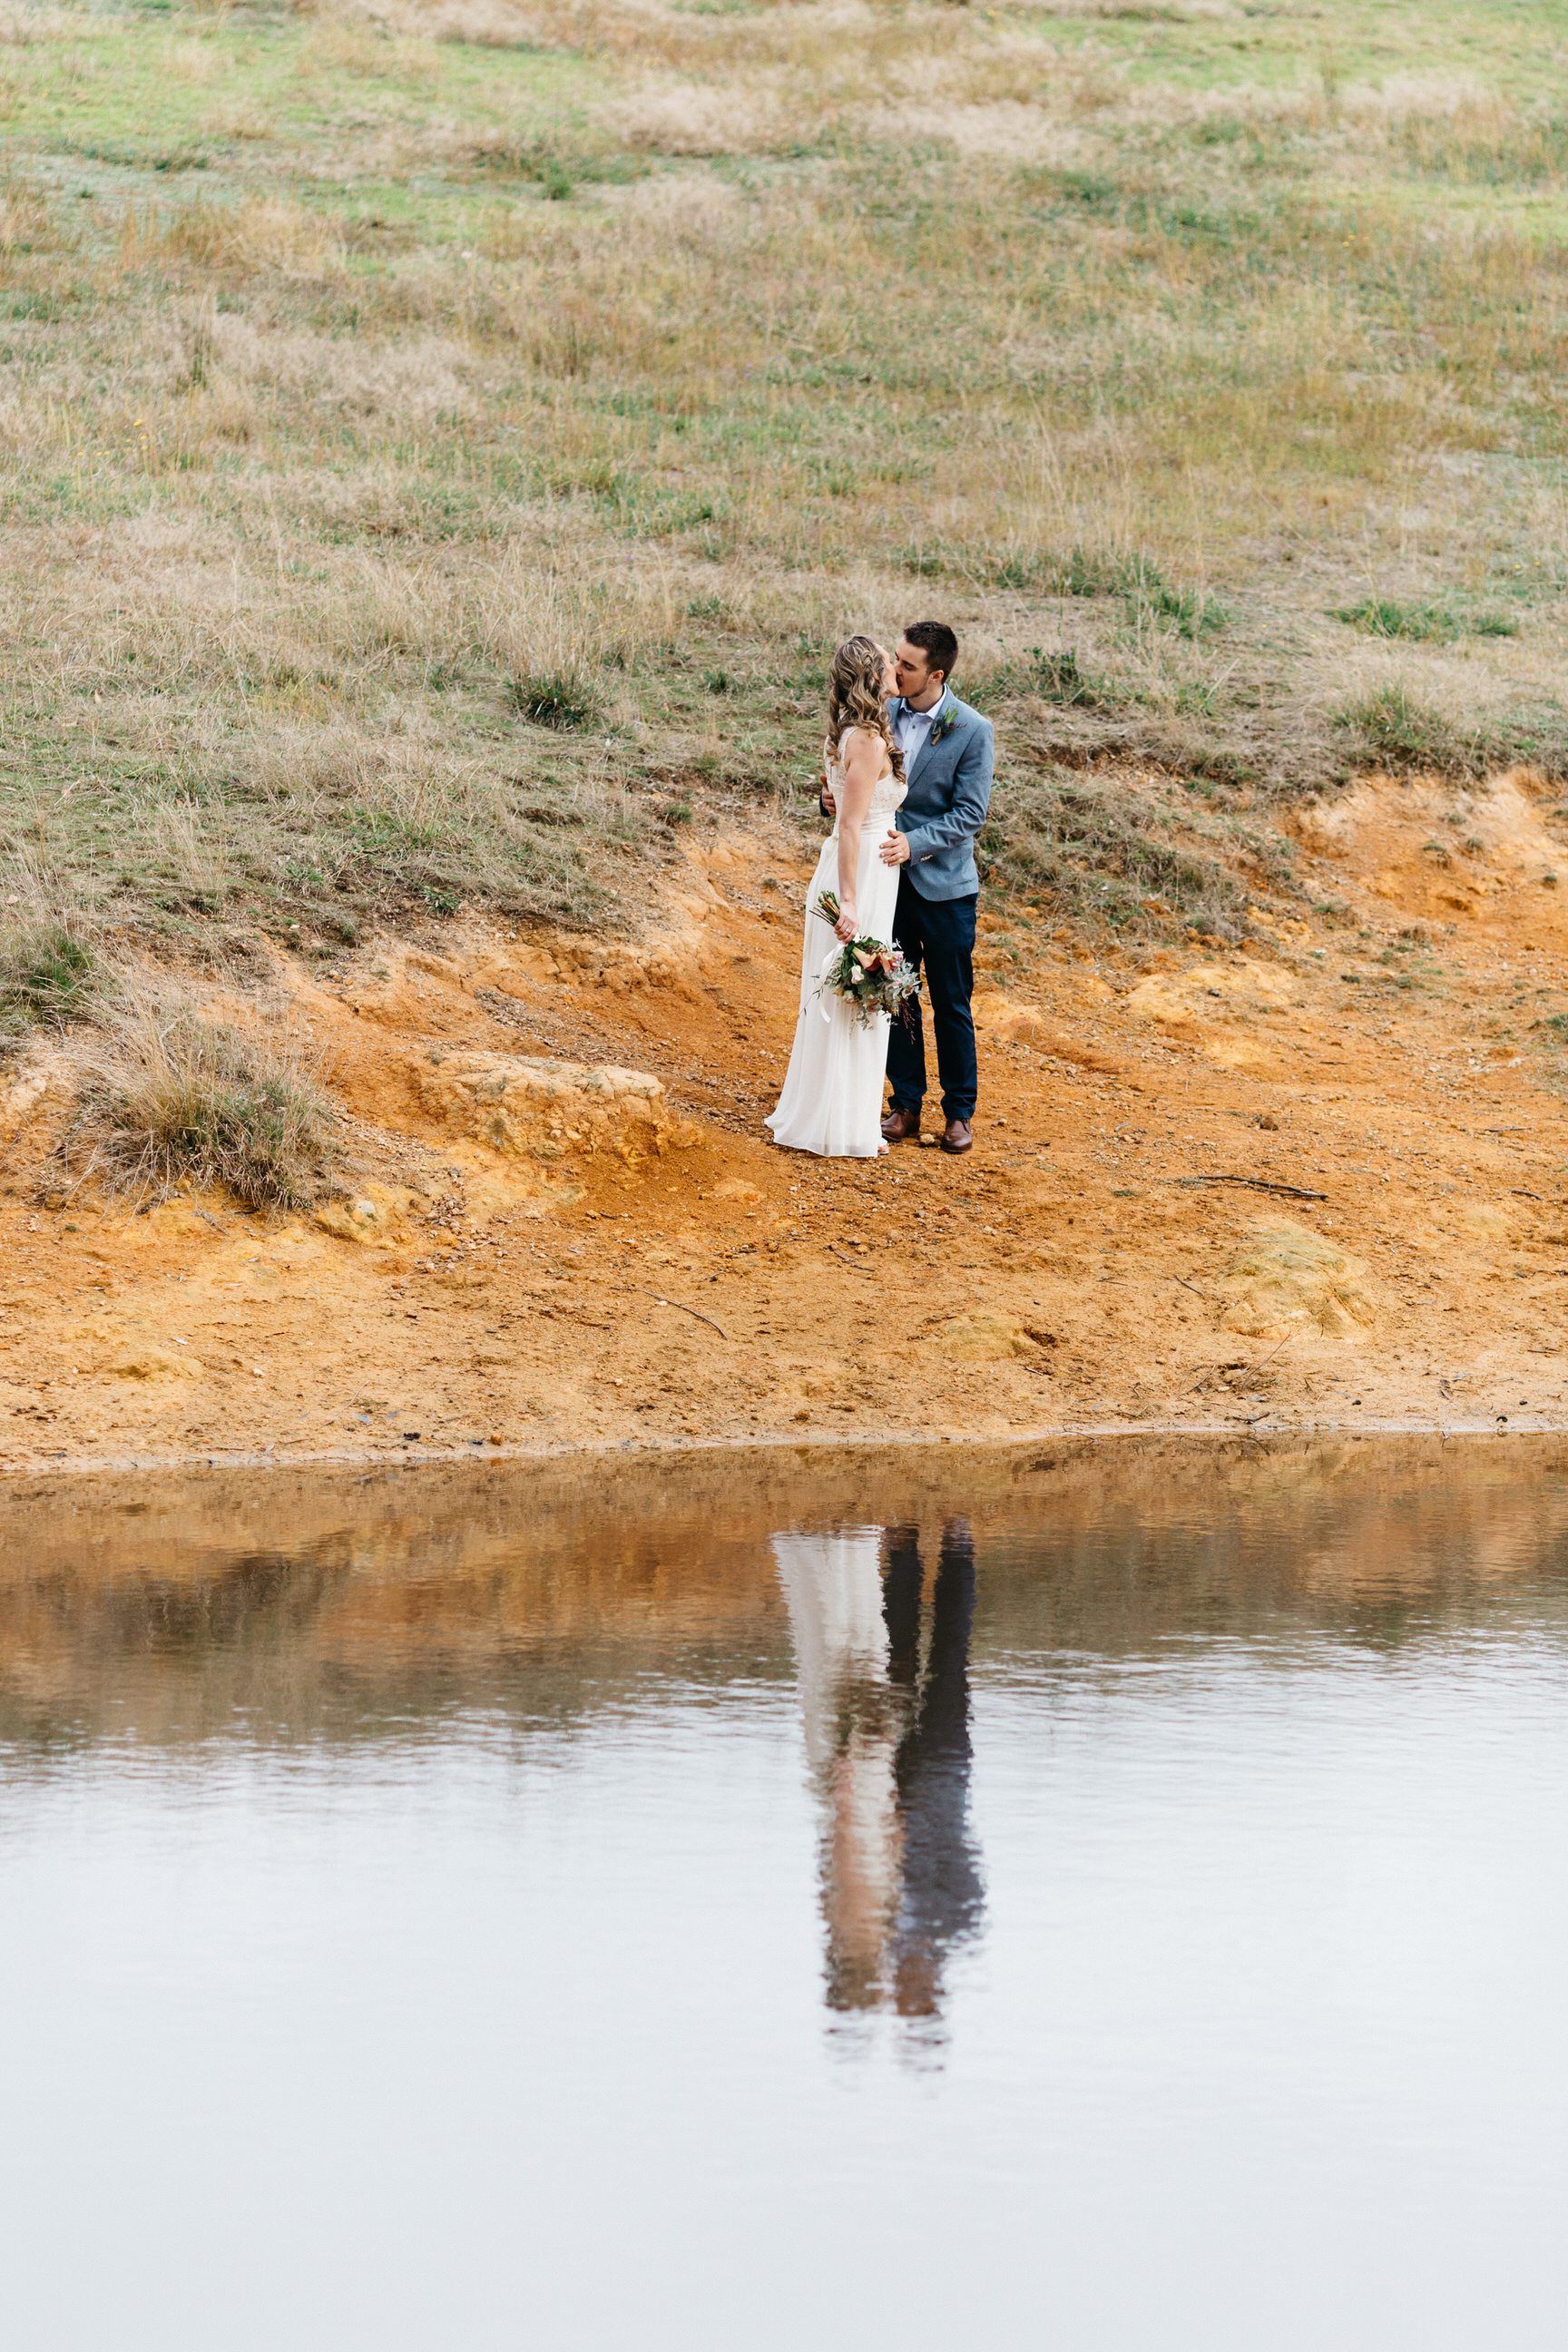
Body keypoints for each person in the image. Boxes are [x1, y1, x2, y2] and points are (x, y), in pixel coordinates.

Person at [824, 622, 994, 1156]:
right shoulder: (881, 713)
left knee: (951, 1001)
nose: (894, 670)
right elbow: (857, 789)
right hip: (886, 883)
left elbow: (971, 813)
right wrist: (831, 803)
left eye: (907, 665)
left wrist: (915, 843)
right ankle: (905, 1104)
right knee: (894, 994)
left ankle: (960, 1113)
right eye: (894, 659)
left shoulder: (972, 728)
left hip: (945, 888)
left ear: (936, 674)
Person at [765, 635, 907, 1159]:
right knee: (855, 986)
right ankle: (839, 1122)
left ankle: (833, 1110)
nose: (897, 667)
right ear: (873, 676)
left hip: (860, 863)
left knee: (845, 990)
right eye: (888, 662)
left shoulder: (847, 732)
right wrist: (849, 903)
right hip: (860, 868)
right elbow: (850, 825)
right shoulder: (867, 740)